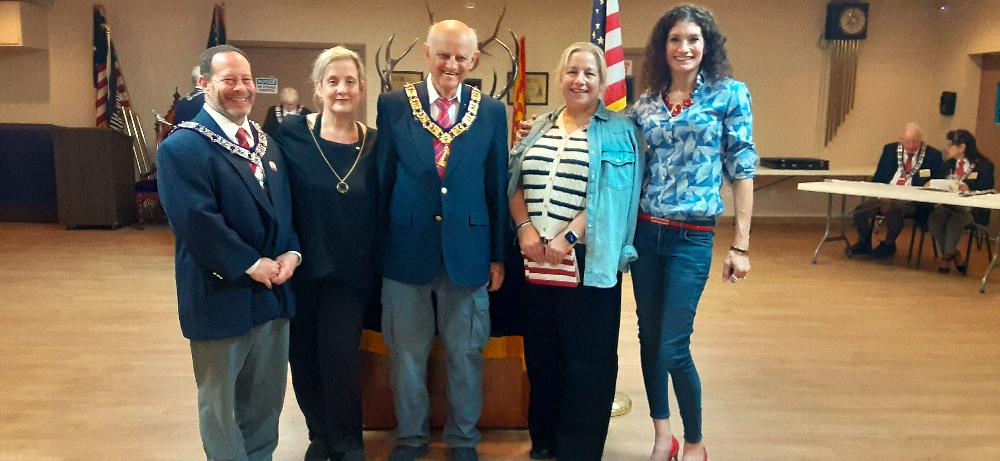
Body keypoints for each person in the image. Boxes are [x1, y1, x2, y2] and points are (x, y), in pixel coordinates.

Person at [156, 45, 301, 461]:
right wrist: (249, 263)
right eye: (229, 80)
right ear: (204, 85)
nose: (241, 88)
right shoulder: (182, 148)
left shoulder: (267, 145)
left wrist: (291, 252)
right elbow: (196, 222)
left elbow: (285, 212)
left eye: (247, 79)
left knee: (265, 402)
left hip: (273, 293)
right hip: (219, 293)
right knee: (219, 404)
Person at [375, 19, 508, 461]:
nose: (452, 64)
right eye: (443, 54)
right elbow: (384, 178)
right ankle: (410, 438)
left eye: (461, 56)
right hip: (405, 250)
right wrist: (380, 248)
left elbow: (496, 184)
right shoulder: (394, 104)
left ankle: (463, 439)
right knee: (406, 356)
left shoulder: (489, 110)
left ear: (473, 60)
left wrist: (497, 256)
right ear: (427, 55)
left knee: (466, 354)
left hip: (468, 252)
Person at [631, 6, 757, 461]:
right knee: (648, 338)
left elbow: (743, 170)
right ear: (662, 47)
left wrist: (740, 245)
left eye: (694, 39)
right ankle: (663, 434)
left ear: (707, 46)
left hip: (692, 236)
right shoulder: (645, 103)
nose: (684, 48)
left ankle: (696, 441)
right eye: (675, 39)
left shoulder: (728, 95)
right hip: (646, 235)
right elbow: (614, 149)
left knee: (673, 345)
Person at [507, 42, 641, 461]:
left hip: (587, 258)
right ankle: (545, 440)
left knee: (589, 359)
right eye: (572, 71)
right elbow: (515, 183)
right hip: (534, 257)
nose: (580, 80)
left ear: (603, 82)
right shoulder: (540, 126)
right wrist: (526, 229)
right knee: (544, 354)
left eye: (589, 73)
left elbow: (614, 195)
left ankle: (578, 449)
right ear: (561, 77)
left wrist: (567, 238)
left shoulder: (620, 131)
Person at [275, 47, 376, 461]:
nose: (341, 88)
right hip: (300, 265)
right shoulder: (291, 136)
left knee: (339, 358)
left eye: (349, 81)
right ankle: (319, 435)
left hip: (351, 273)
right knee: (302, 356)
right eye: (332, 81)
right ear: (318, 89)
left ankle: (348, 441)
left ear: (361, 88)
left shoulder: (375, 143)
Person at [850, 123, 945, 259]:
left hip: (912, 199)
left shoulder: (933, 155)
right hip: (885, 194)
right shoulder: (890, 150)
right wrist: (882, 195)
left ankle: (889, 244)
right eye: (908, 142)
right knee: (860, 211)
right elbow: (879, 177)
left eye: (915, 142)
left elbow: (938, 181)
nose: (911, 146)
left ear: (921, 140)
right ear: (901, 140)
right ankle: (864, 242)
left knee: (895, 211)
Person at [928, 129, 995, 273]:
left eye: (950, 145)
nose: (946, 149)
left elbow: (987, 187)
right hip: (946, 205)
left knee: (955, 221)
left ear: (962, 147)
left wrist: (968, 187)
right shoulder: (947, 165)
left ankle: (946, 256)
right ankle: (954, 254)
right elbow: (938, 180)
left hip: (970, 208)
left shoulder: (984, 165)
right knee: (934, 219)